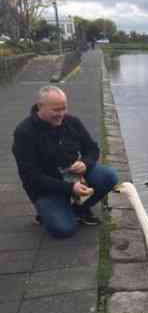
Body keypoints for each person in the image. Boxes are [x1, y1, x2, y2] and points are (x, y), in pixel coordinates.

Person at [12, 85, 118, 238]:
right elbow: (31, 177)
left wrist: (85, 163)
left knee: (110, 176)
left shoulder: (71, 122)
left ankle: (78, 209)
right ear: (40, 107)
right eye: (56, 110)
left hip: (75, 177)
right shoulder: (24, 132)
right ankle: (49, 212)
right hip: (46, 187)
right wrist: (70, 188)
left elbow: (92, 149)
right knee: (64, 230)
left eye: (64, 108)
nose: (61, 114)